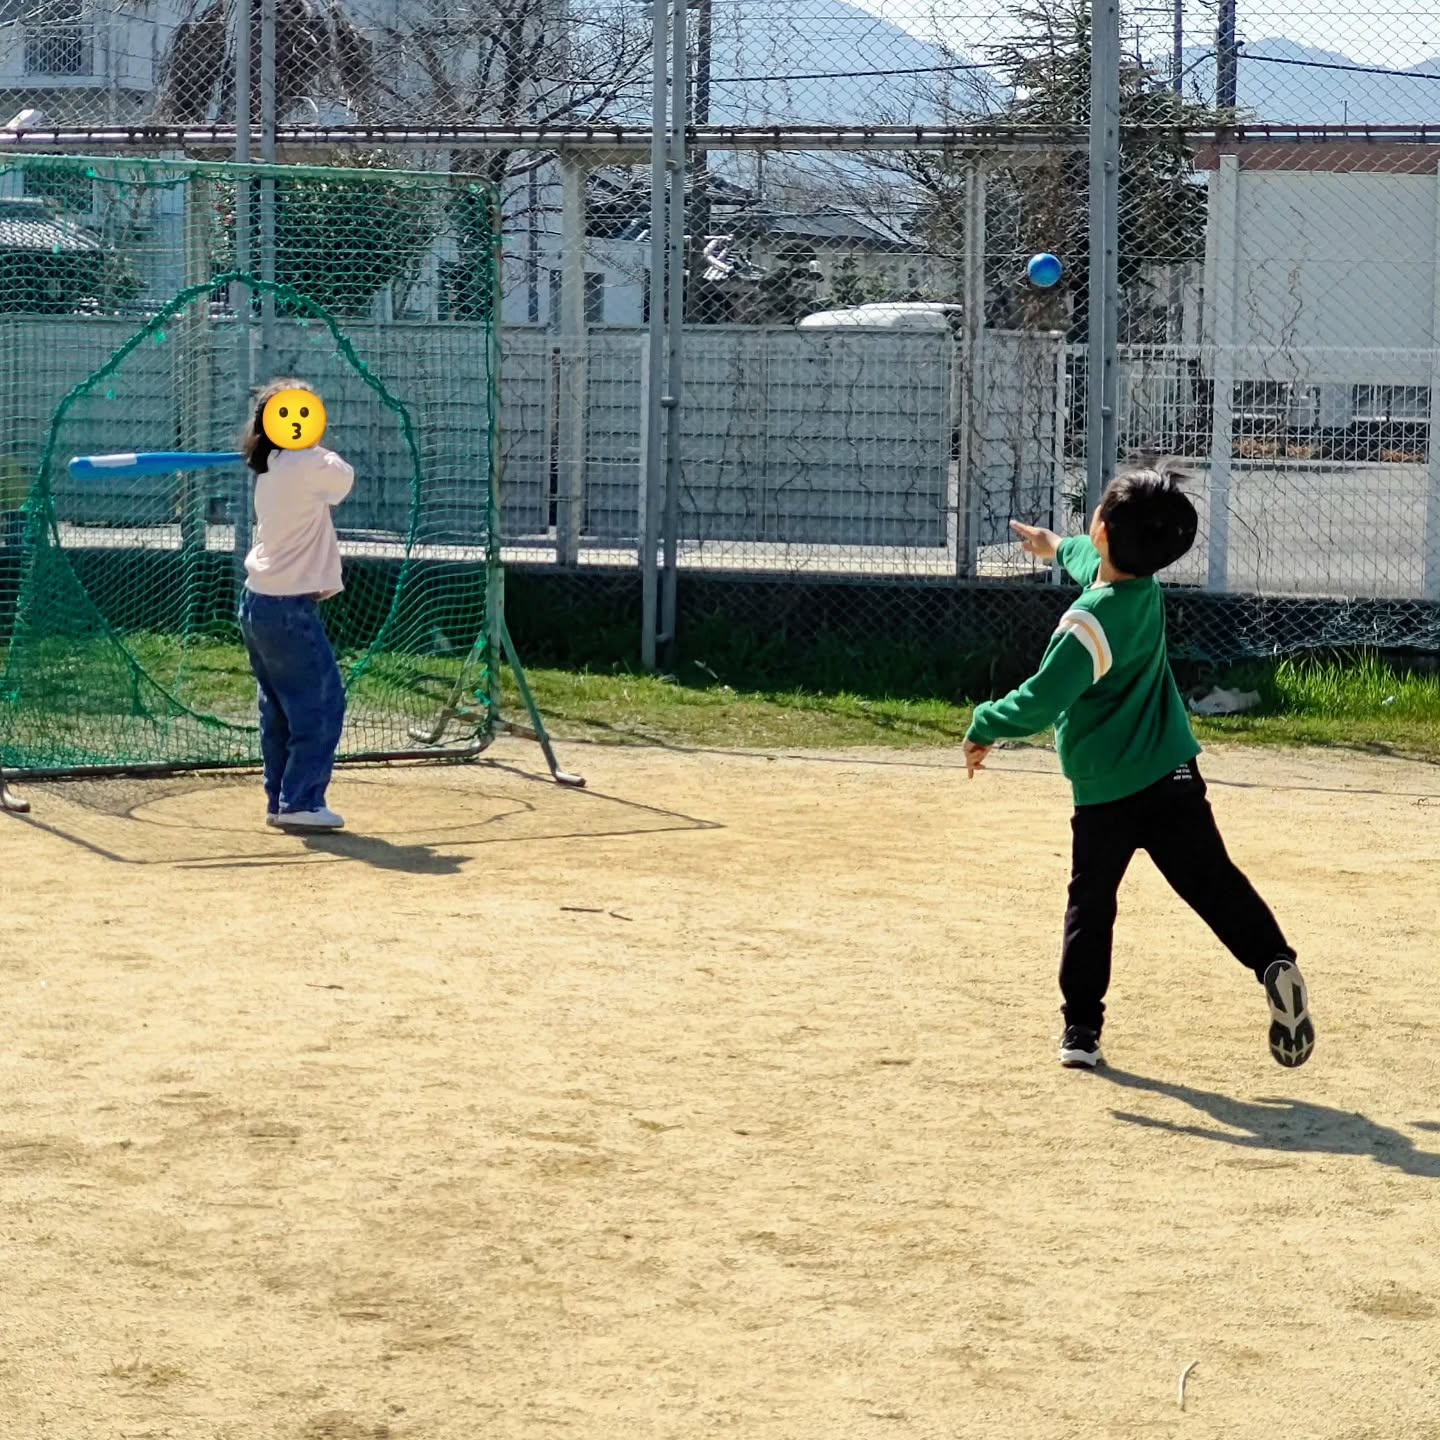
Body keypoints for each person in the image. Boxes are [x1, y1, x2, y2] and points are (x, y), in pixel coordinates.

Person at [963, 462, 1314, 1071]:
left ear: (1102, 530)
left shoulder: (1086, 625)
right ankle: (1274, 964)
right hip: (1173, 777)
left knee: (1092, 904)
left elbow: (1041, 701)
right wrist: (1053, 546)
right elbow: (1091, 561)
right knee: (1215, 885)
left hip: (1107, 795)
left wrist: (983, 723)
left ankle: (1081, 1031)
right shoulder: (1142, 590)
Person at [236, 378, 354, 832]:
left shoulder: (274, 465)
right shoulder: (307, 463)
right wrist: (314, 447)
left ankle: (282, 798)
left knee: (281, 707)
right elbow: (344, 479)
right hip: (286, 608)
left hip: (260, 603)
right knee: (321, 703)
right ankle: (301, 800)